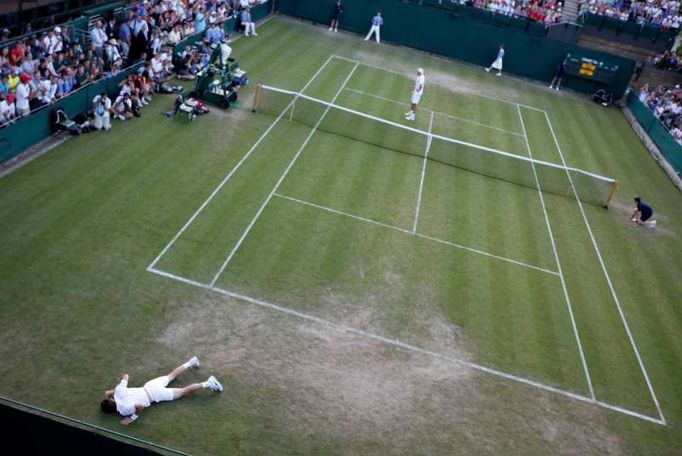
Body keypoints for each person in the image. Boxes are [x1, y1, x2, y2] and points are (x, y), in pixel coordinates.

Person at [100, 356, 223, 426]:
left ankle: (209, 382)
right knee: (171, 376)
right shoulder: (118, 391)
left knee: (183, 392)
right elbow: (126, 376)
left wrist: (132, 418)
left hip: (156, 395)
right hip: (150, 385)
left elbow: (140, 406)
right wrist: (113, 390)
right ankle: (191, 362)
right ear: (111, 399)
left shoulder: (123, 410)